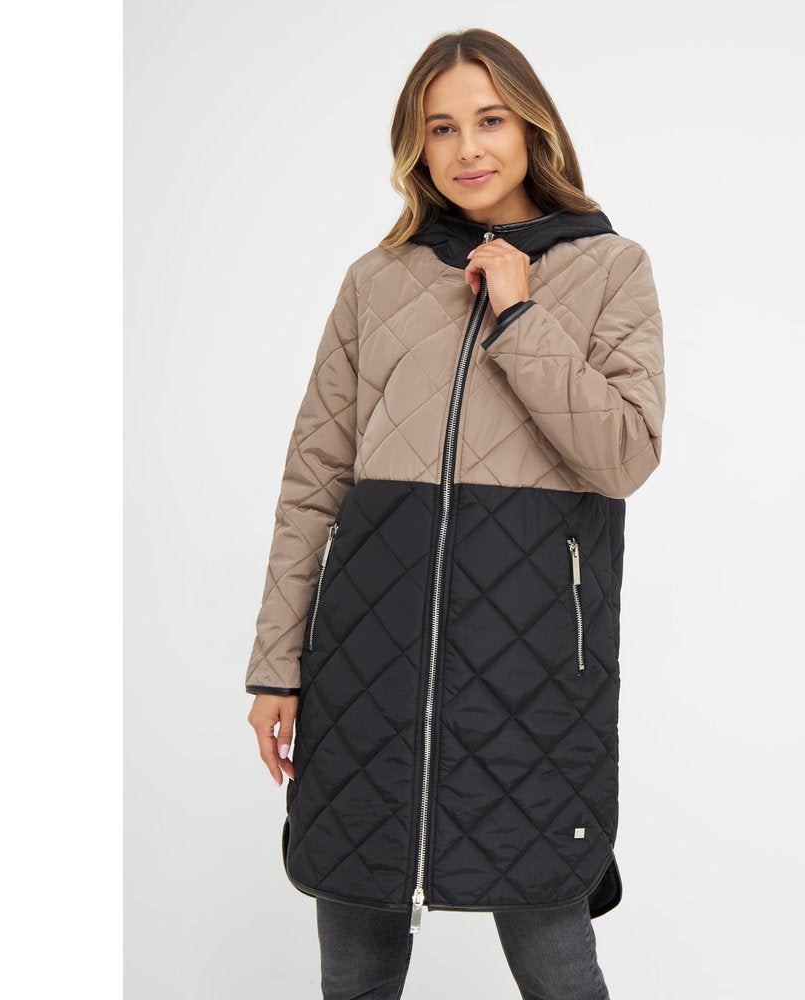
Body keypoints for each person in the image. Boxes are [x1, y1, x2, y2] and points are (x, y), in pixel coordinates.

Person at [245, 27, 665, 1000]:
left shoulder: (612, 268)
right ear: (416, 146)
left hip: (532, 668)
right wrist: (276, 665)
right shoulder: (377, 279)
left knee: (555, 961)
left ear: (532, 129)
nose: (467, 148)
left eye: (490, 120)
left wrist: (521, 315)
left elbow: (624, 455)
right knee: (354, 963)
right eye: (441, 128)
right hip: (365, 664)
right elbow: (313, 478)